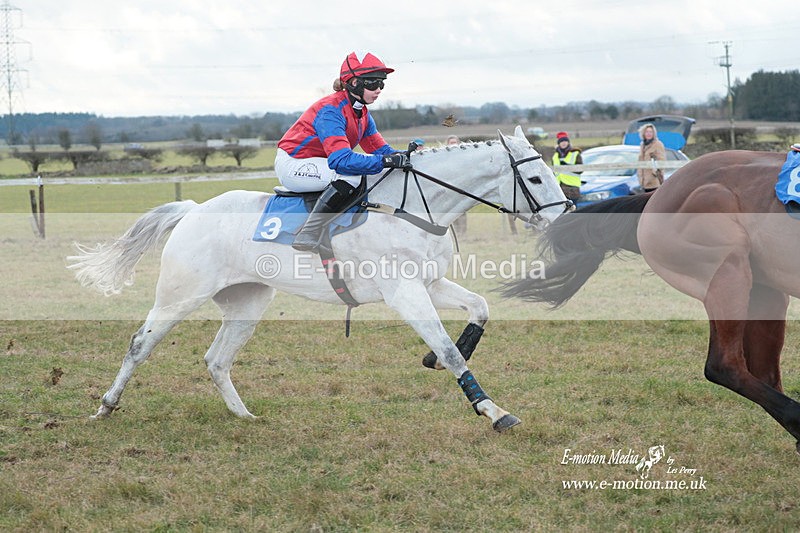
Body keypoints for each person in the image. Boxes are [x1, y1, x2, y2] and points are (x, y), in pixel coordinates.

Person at [275, 51, 409, 253]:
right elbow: (341, 160)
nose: (379, 89)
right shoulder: (330, 110)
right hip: (295, 162)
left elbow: (381, 150)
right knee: (351, 176)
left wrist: (407, 156)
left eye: (382, 83)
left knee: (376, 172)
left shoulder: (362, 113)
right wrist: (385, 160)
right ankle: (308, 233)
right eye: (373, 83)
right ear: (354, 83)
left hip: (320, 162)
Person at [551, 131, 583, 201]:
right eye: (561, 141)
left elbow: (580, 170)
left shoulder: (575, 153)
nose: (563, 143)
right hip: (559, 188)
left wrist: (568, 166)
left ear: (568, 142)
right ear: (558, 143)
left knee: (574, 210)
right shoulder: (555, 156)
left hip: (572, 188)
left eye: (565, 141)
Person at [637, 123, 667, 193]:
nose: (649, 134)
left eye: (651, 132)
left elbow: (662, 160)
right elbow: (640, 161)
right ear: (643, 133)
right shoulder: (642, 145)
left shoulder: (658, 144)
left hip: (654, 182)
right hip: (643, 182)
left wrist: (655, 172)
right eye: (647, 132)